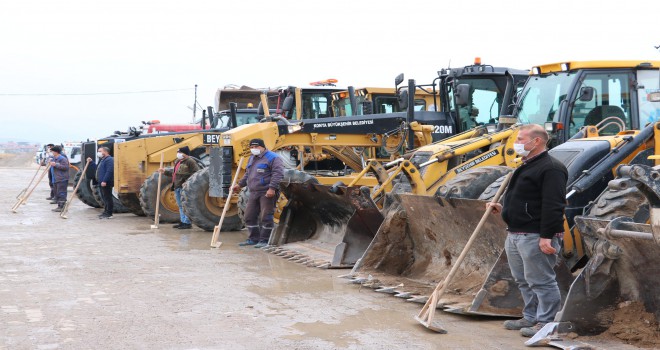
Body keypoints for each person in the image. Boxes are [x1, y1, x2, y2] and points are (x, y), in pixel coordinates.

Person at [486, 124, 568, 338]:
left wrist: (547, 237)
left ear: (537, 141)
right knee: (523, 279)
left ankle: (546, 323)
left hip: (535, 235)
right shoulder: (525, 165)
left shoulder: (551, 168)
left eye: (521, 139)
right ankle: (530, 316)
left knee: (541, 281)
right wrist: (503, 210)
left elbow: (554, 205)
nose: (516, 143)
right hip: (516, 233)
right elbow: (527, 200)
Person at [232, 138, 285, 248]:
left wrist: (272, 188)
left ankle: (265, 240)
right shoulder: (252, 158)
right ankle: (253, 239)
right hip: (254, 192)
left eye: (256, 147)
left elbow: (278, 174)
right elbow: (248, 174)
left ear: (263, 147)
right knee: (249, 216)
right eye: (251, 147)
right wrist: (239, 185)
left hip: (266, 192)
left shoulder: (273, 158)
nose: (254, 149)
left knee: (266, 216)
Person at [159, 146, 199, 229]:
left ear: (185, 153)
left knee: (185, 205)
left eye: (180, 152)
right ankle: (183, 221)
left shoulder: (190, 162)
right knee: (180, 205)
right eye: (178, 152)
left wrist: (187, 182)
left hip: (184, 187)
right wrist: (164, 171)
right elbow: (174, 173)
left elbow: (196, 173)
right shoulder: (178, 161)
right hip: (177, 186)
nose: (178, 154)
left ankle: (187, 223)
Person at [90, 146, 114, 219]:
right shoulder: (103, 160)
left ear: (105, 152)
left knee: (107, 198)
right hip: (101, 182)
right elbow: (97, 168)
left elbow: (109, 171)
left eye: (100, 151)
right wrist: (91, 162)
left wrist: (104, 180)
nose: (99, 153)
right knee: (104, 198)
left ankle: (109, 213)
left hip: (106, 182)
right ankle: (105, 212)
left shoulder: (110, 160)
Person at [49, 146, 70, 212]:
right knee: (57, 193)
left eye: (52, 151)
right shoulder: (54, 158)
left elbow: (66, 167)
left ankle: (62, 207)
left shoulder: (62, 159)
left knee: (62, 193)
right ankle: (59, 206)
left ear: (56, 152)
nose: (52, 153)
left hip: (62, 179)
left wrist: (56, 165)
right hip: (55, 179)